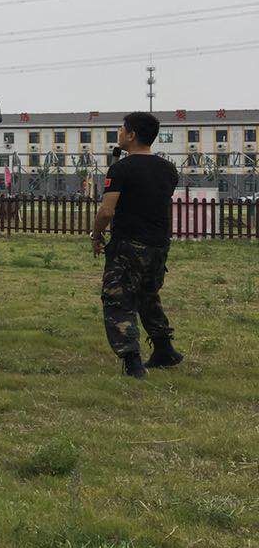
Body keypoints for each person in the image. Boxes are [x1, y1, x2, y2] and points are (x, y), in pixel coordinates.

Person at [91, 111, 182, 378]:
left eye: (121, 129)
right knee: (147, 296)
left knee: (118, 299)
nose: (118, 133)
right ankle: (165, 349)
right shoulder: (168, 169)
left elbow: (107, 211)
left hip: (128, 245)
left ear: (131, 135)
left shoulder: (121, 168)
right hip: (158, 245)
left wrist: (96, 235)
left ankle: (132, 361)